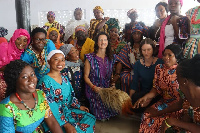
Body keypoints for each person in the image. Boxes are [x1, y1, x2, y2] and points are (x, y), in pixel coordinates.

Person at [38, 50, 96, 133]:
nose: (60, 63)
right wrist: (65, 124)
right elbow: (50, 107)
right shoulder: (45, 82)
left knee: (90, 119)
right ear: (49, 62)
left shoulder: (64, 78)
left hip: (67, 111)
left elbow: (71, 96)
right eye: (56, 59)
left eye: (62, 60)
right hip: (54, 118)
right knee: (76, 130)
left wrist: (78, 106)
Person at [0, 60, 63, 133]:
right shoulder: (7, 108)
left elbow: (52, 122)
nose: (31, 79)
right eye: (25, 77)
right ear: (14, 81)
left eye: (32, 74)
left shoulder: (40, 94)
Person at [133, 44, 184, 133]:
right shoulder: (159, 68)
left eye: (170, 55)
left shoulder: (181, 71)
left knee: (160, 120)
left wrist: (159, 112)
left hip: (177, 106)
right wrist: (146, 97)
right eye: (164, 55)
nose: (166, 58)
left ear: (177, 57)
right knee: (146, 115)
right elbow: (156, 89)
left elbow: (182, 102)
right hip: (164, 102)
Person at [160, 54, 200, 133]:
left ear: (185, 81)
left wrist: (175, 122)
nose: (176, 78)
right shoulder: (187, 95)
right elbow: (187, 117)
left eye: (177, 76)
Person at [84, 32, 118, 120]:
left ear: (108, 42)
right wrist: (93, 87)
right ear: (97, 42)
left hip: (106, 88)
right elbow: (85, 76)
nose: (103, 42)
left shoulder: (111, 57)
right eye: (100, 40)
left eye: (105, 40)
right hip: (94, 88)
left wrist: (112, 84)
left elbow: (111, 74)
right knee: (101, 116)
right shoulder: (90, 58)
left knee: (114, 110)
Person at [0, 28, 30, 101]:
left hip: (13, 79)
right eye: (18, 39)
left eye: (25, 40)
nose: (21, 42)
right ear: (14, 39)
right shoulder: (3, 47)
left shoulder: (23, 53)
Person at [130, 38, 163, 105]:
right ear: (141, 51)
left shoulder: (160, 63)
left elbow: (161, 84)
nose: (146, 53)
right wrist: (129, 100)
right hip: (144, 93)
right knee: (134, 99)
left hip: (156, 94)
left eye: (149, 50)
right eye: (144, 50)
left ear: (153, 49)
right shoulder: (138, 64)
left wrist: (150, 98)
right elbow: (134, 83)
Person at [114, 25, 145, 94]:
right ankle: (126, 100)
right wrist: (117, 74)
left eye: (138, 33)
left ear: (142, 35)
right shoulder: (128, 46)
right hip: (129, 70)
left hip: (143, 69)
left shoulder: (145, 46)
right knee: (125, 78)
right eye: (134, 34)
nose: (136, 36)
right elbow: (120, 59)